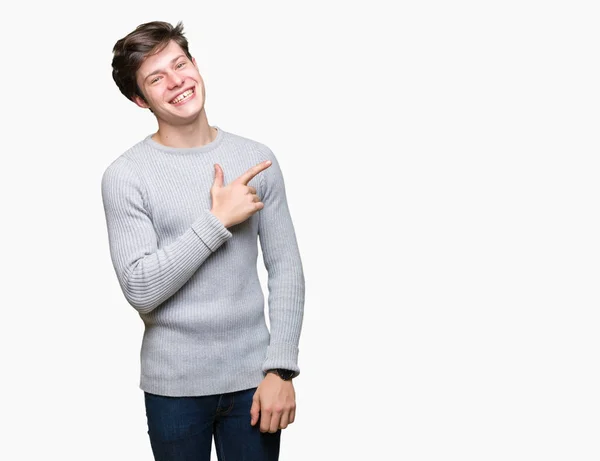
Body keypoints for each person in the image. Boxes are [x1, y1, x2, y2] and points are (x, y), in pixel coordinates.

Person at [101, 20, 305, 461]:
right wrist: (216, 220)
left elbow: (286, 267)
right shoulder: (126, 176)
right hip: (173, 389)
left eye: (180, 64)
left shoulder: (256, 158)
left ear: (195, 64)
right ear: (140, 99)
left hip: (255, 381)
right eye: (157, 77)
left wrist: (281, 368)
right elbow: (141, 289)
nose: (177, 81)